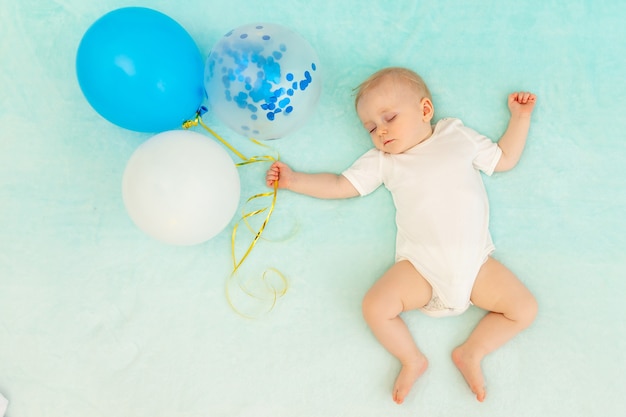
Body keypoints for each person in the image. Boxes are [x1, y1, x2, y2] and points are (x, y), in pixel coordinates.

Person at [265, 67, 538, 404]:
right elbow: (341, 185)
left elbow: (504, 158)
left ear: (425, 110)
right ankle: (412, 358)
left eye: (389, 117)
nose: (381, 132)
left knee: (524, 309)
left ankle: (473, 351)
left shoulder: (456, 135)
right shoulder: (384, 161)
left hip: (476, 265)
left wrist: (520, 117)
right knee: (374, 306)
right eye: (371, 128)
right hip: (421, 269)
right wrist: (295, 181)